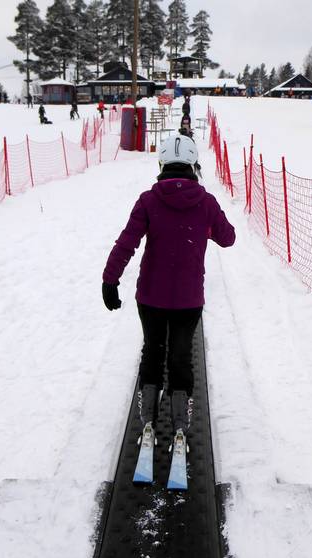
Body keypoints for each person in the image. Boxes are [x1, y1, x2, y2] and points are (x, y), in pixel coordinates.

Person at [101, 134, 235, 437]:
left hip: (151, 296)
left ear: (162, 164)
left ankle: (147, 416)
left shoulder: (148, 200)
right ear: (193, 163)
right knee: (180, 354)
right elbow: (228, 238)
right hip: (188, 299)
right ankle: (180, 418)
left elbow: (127, 243)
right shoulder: (206, 202)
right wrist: (204, 225)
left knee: (153, 349)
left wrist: (110, 280)